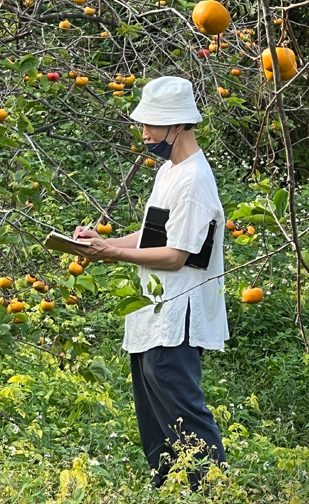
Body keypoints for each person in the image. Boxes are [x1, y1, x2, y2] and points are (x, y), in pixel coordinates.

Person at [72, 75, 229, 491]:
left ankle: (213, 490)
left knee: (184, 412)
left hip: (178, 313)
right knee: (154, 416)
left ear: (177, 126)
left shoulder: (195, 179)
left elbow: (176, 257)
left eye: (150, 126)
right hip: (155, 310)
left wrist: (112, 254)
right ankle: (167, 490)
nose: (144, 134)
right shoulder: (169, 172)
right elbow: (154, 237)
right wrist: (104, 242)